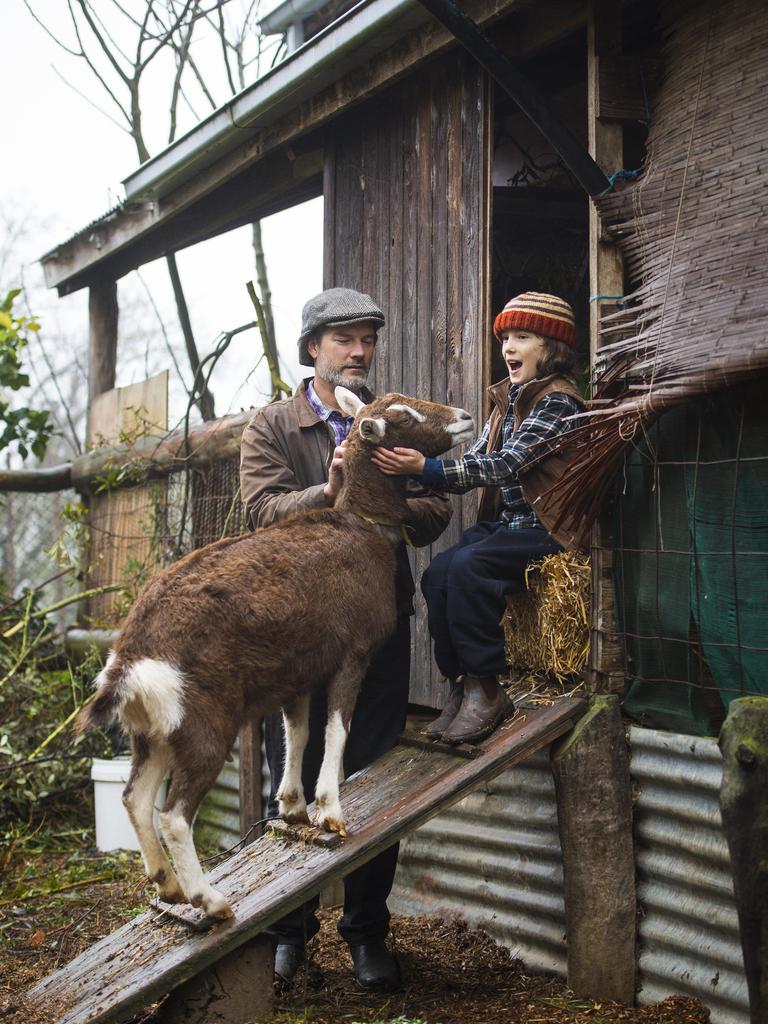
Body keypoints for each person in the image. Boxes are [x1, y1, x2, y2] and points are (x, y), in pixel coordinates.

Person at [239, 287, 452, 991]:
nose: (358, 352)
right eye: (343, 341)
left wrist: (395, 486)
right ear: (312, 350)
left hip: (377, 626)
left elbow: (435, 511)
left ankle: (365, 934)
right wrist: (328, 491)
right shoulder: (273, 425)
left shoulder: (392, 417)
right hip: (296, 636)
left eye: (366, 340)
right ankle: (287, 932)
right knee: (291, 780)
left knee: (373, 779)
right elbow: (262, 514)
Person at [373, 291, 585, 744]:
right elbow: (479, 459)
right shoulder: (509, 400)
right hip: (509, 526)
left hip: (547, 526)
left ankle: (488, 688)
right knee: (440, 572)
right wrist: (414, 474)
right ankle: (462, 683)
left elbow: (506, 464)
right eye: (505, 337)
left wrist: (428, 468)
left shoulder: (558, 403)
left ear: (553, 347)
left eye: (522, 337)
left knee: (470, 568)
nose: (508, 347)